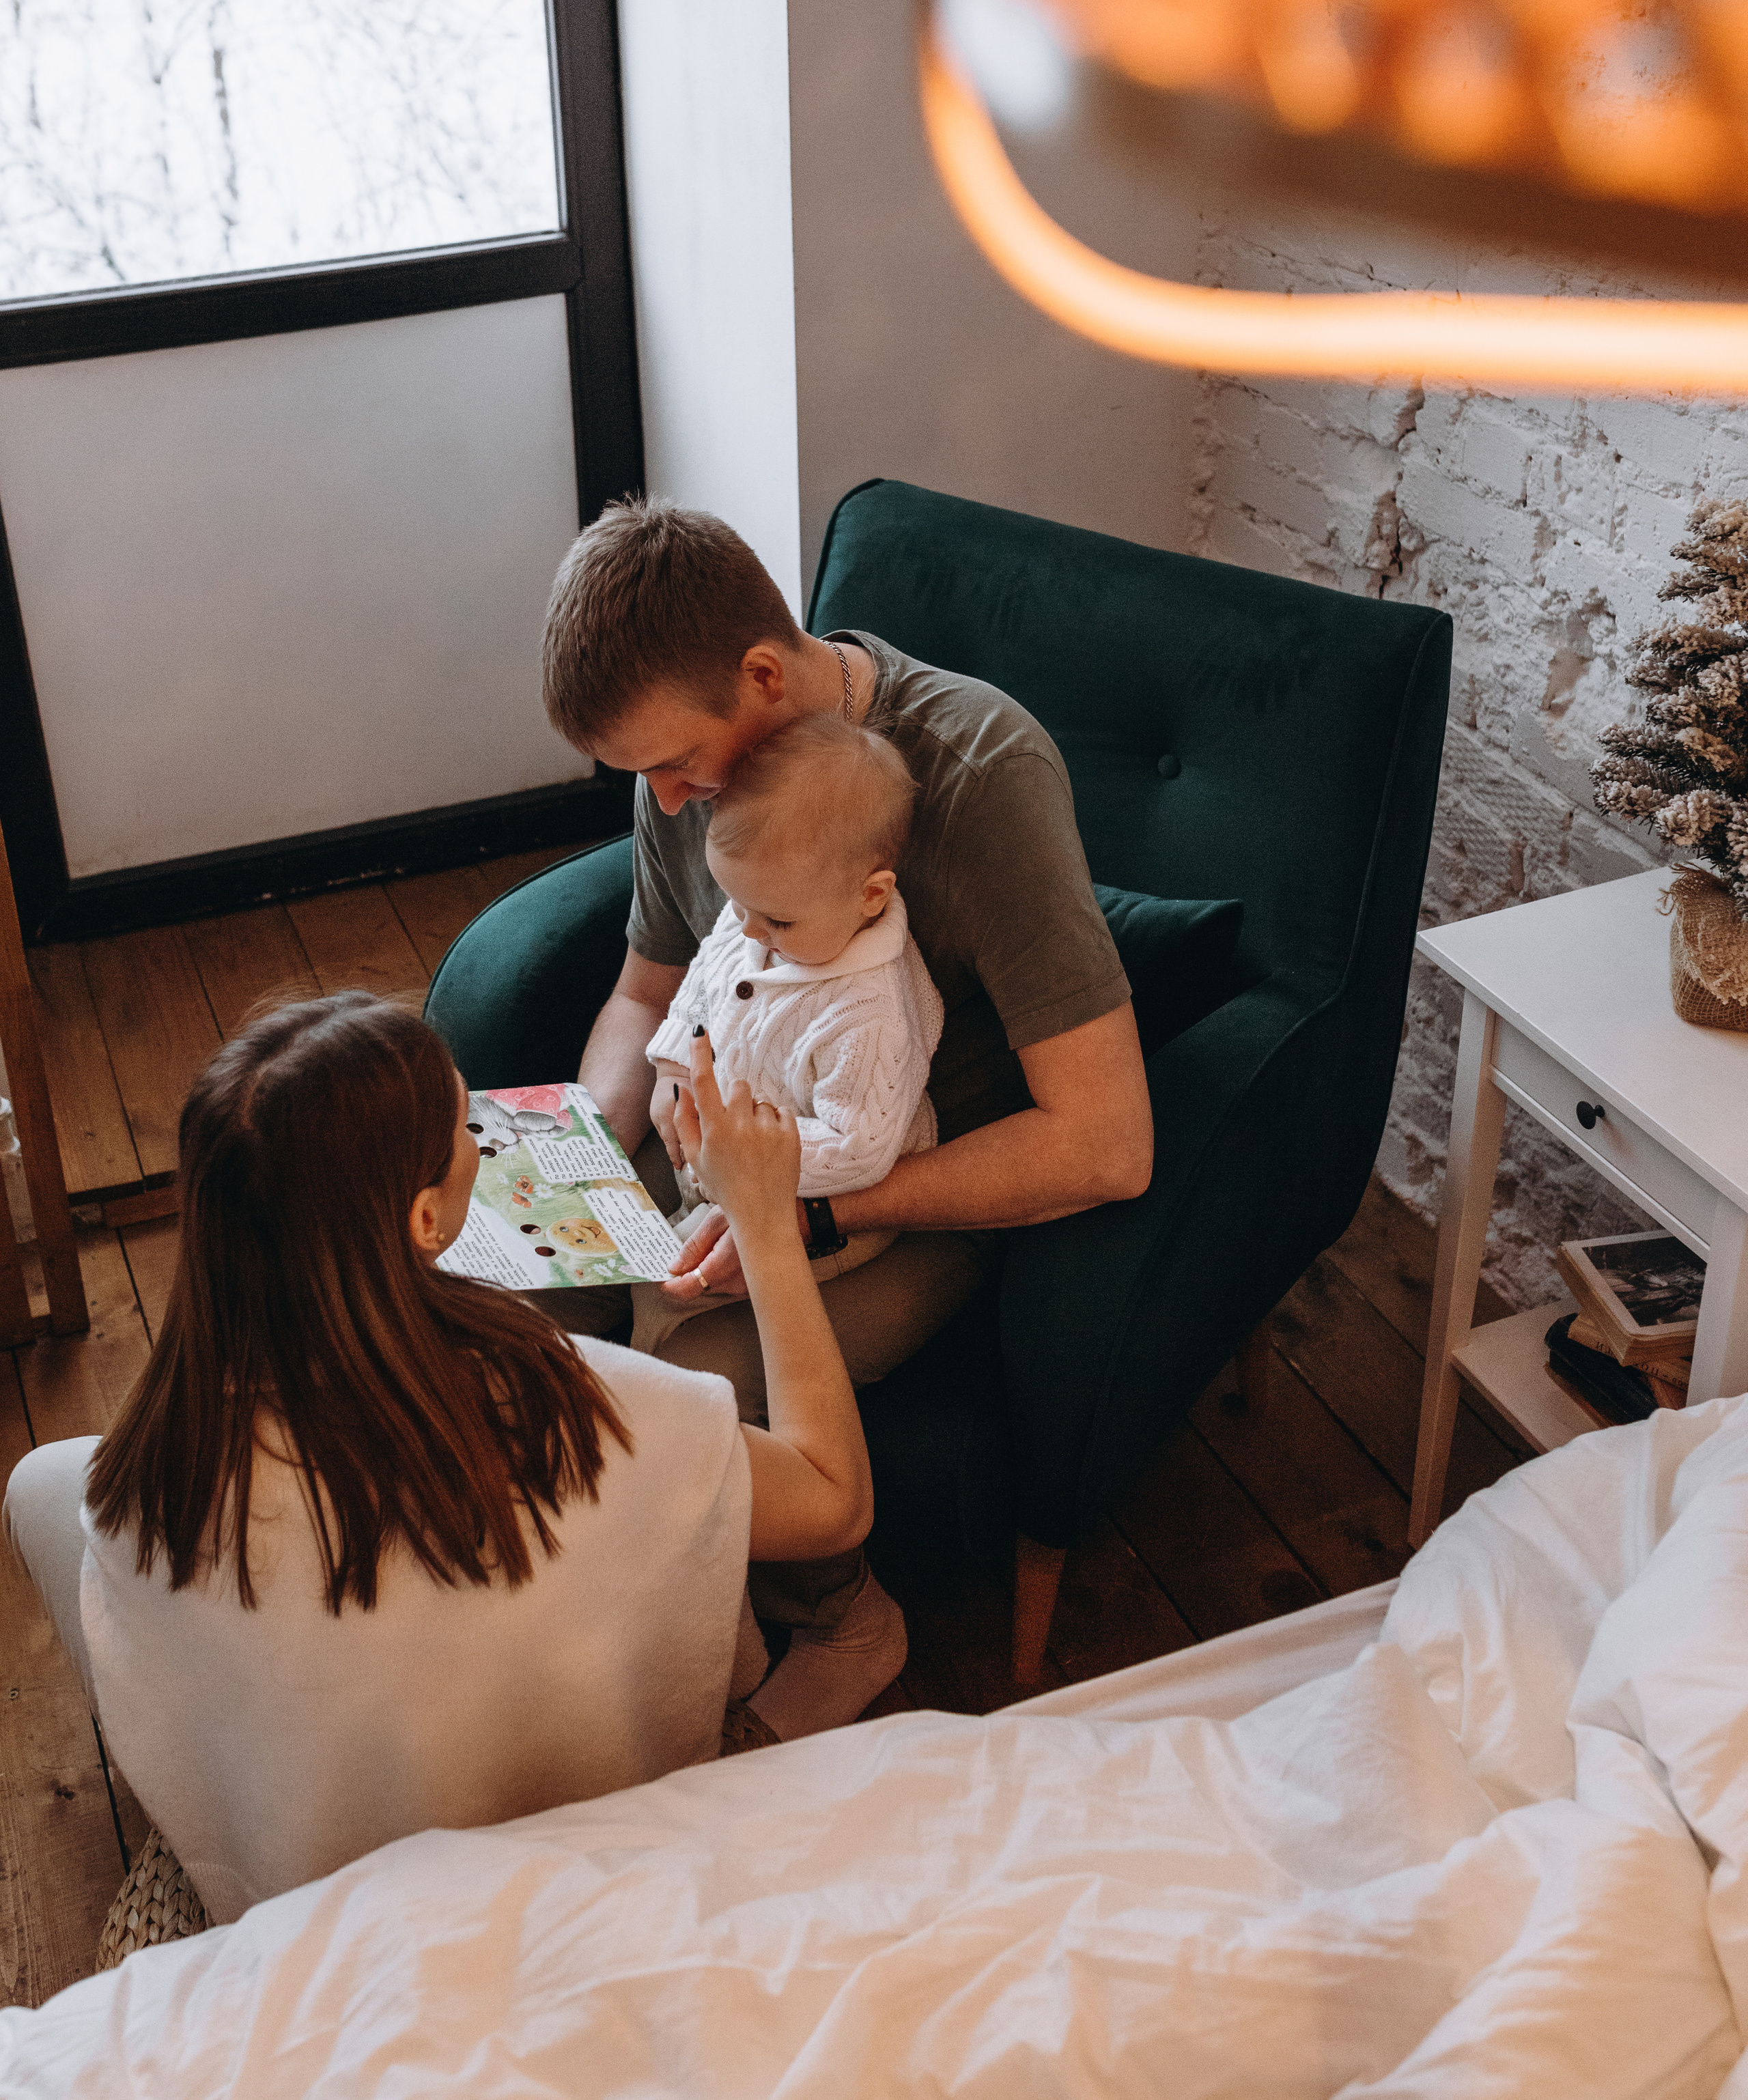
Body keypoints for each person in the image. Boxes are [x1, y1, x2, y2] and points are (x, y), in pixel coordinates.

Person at [2, 993, 871, 1926]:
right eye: (465, 1124)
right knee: (686, 1486)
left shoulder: (157, 1470)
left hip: (305, 1876)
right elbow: (833, 1502)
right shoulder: (580, 1404)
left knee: (42, 1482)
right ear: (424, 1220)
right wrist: (768, 1223)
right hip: (574, 1827)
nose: (482, 1136)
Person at [541, 497, 1154, 1738]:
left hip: (905, 1184)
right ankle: (538, 1603)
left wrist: (807, 1212)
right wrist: (586, 1145)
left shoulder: (979, 773)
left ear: (763, 675)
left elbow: (1104, 1140)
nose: (661, 804)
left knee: (695, 1387)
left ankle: (843, 1616)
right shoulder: (692, 782)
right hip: (725, 1145)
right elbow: (640, 994)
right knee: (484, 1292)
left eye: (671, 764)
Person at [634, 709, 944, 1357]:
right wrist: (671, 1065)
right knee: (642, 1257)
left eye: (772, 920)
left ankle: (645, 1376)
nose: (747, 931)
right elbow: (703, 984)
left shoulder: (869, 1012)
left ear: (871, 896)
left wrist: (743, 1166)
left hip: (828, 1198)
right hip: (725, 1162)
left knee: (678, 1303)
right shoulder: (763, 912)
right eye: (738, 905)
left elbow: (858, 1146)